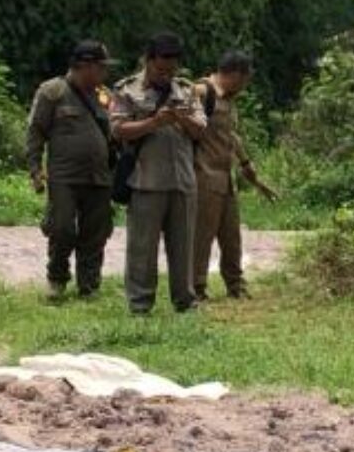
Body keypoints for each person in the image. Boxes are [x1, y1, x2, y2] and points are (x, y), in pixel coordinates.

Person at [109, 32, 207, 315]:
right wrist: (153, 122)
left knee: (183, 248)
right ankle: (140, 304)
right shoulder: (127, 90)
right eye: (161, 68)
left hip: (182, 182)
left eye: (172, 68)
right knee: (142, 250)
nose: (166, 73)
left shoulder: (187, 91)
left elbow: (201, 128)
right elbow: (118, 130)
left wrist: (181, 117)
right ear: (148, 61)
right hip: (146, 181)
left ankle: (185, 301)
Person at [23, 41, 115, 299]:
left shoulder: (104, 96)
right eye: (100, 68)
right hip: (64, 176)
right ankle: (57, 278)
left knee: (95, 233)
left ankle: (89, 285)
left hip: (99, 176)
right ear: (84, 66)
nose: (104, 74)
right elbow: (35, 131)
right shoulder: (53, 91)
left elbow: (114, 133)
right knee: (61, 229)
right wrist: (34, 168)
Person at [191, 51, 278, 303]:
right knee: (201, 236)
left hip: (225, 177)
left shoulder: (229, 100)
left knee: (231, 235)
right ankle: (196, 287)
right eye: (244, 80)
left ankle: (235, 284)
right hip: (203, 175)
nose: (244, 86)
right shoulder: (201, 91)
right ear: (233, 74)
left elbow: (231, 135)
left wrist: (246, 164)